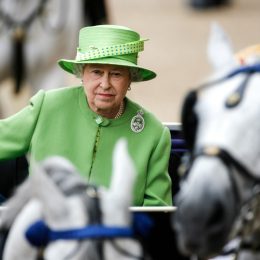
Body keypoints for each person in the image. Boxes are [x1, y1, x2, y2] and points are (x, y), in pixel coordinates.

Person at [0, 24, 172, 206]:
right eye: (97, 72)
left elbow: (157, 212)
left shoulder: (154, 134)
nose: (105, 84)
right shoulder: (47, 107)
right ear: (82, 73)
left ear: (130, 79)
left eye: (116, 74)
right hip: (44, 228)